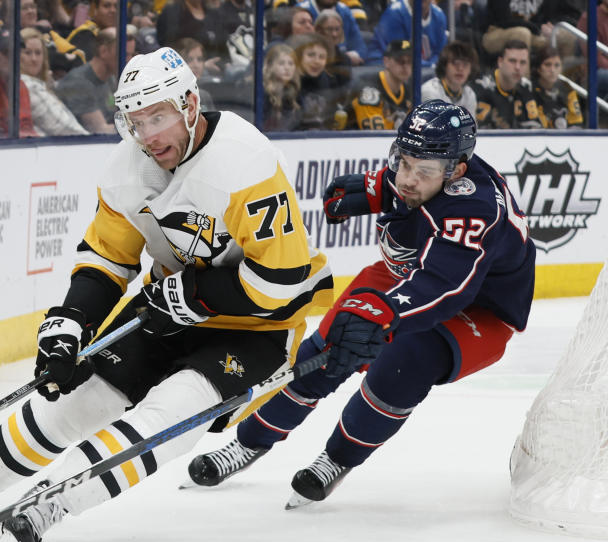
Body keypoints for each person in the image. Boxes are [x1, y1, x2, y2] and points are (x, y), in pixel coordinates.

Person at [0, 47, 334, 542]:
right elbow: (108, 255)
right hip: (169, 306)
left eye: (158, 116)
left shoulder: (247, 162)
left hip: (256, 328)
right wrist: (71, 319)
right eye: (136, 121)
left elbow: (281, 283)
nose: (148, 135)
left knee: (167, 414)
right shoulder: (126, 167)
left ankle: (54, 501)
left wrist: (194, 292)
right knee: (76, 398)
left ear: (190, 105)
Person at [186, 100, 536, 509]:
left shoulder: (473, 211)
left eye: (422, 172)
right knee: (324, 352)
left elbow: (445, 285)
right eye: (403, 162)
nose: (407, 178)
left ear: (457, 170)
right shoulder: (429, 169)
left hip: (478, 311)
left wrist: (385, 312)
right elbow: (402, 185)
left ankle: (337, 459)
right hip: (409, 276)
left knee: (404, 363)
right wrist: (375, 190)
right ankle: (249, 442)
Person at [19, 28, 89, 135]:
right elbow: (62, 128)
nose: (34, 59)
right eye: (27, 53)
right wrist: (90, 140)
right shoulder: (28, 85)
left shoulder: (39, 84)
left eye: (38, 53)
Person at [54, 26, 122, 133]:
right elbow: (100, 130)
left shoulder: (111, 78)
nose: (129, 59)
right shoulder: (78, 83)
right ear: (103, 51)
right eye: (124, 54)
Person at [473, 39, 544, 129]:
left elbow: (535, 129)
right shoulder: (480, 88)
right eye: (512, 61)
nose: (517, 67)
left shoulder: (527, 87)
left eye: (522, 62)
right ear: (500, 62)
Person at [349, 39, 413, 130]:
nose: (406, 66)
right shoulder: (368, 89)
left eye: (410, 61)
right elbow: (375, 136)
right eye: (400, 61)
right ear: (386, 61)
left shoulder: (410, 89)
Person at [366, 0, 447, 68]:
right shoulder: (395, 14)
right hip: (383, 66)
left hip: (422, 69)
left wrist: (433, 65)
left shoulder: (439, 16)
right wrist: (431, 66)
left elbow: (440, 53)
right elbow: (401, 55)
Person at [295, 34, 347, 130]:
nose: (317, 61)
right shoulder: (291, 84)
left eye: (322, 57)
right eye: (311, 55)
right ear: (299, 56)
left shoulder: (330, 82)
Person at [295, 0, 367, 65]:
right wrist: (344, 58)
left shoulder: (344, 10)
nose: (334, 34)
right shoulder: (301, 11)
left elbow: (361, 49)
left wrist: (354, 55)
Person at [421, 40, 478, 118]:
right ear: (444, 66)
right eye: (455, 63)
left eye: (465, 64)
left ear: (471, 69)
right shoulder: (430, 92)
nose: (460, 69)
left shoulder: (469, 94)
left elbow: (471, 128)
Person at [532, 45, 585, 129]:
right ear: (538, 68)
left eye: (557, 65)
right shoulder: (529, 90)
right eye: (547, 65)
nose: (552, 70)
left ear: (561, 68)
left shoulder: (567, 89)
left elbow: (576, 123)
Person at [262, 43, 302, 131]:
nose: (287, 68)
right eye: (281, 63)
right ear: (270, 66)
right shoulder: (263, 93)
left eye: (291, 64)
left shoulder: (295, 93)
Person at [314, 9, 352, 89]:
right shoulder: (312, 56)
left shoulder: (345, 59)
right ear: (318, 31)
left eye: (337, 29)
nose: (334, 34)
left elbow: (346, 89)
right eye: (329, 29)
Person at [175, 37, 215, 111]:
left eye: (199, 59)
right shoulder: (173, 98)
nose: (196, 65)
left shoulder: (204, 95)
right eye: (189, 60)